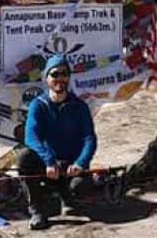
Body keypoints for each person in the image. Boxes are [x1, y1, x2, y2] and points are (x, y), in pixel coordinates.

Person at [18, 55, 97, 230]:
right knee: (24, 158)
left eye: (64, 73)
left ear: (69, 77)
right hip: (50, 164)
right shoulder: (38, 105)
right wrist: (48, 161)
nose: (59, 78)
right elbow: (31, 138)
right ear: (47, 79)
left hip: (70, 165)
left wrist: (80, 163)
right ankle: (36, 210)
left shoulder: (80, 106)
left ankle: (68, 198)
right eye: (54, 74)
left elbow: (89, 139)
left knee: (81, 186)